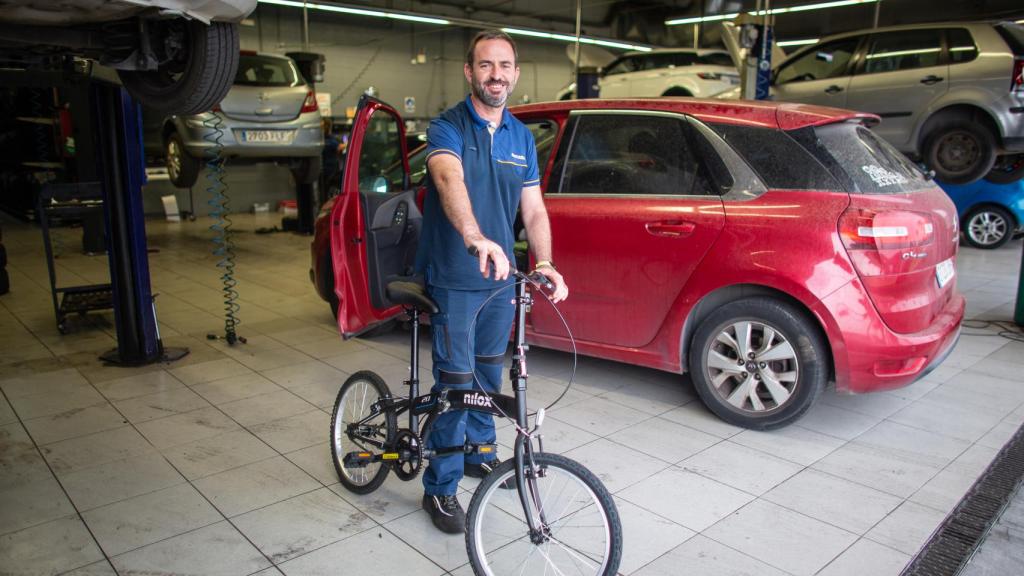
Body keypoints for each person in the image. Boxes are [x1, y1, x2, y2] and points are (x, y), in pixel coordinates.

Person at [415, 29, 569, 534]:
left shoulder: (521, 137)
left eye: (504, 66)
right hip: (456, 277)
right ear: (469, 71)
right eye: (485, 65)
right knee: (456, 385)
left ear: (516, 74)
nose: (495, 75)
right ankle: (439, 489)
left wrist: (545, 262)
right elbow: (447, 179)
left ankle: (480, 455)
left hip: (501, 283)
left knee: (489, 375)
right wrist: (475, 236)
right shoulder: (447, 126)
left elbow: (534, 208)